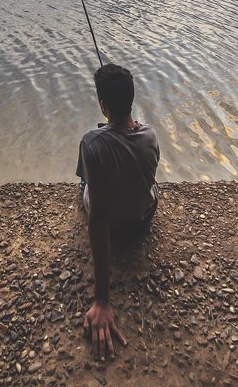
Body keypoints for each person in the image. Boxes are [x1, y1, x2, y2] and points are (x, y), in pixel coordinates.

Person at [76, 63, 160, 362]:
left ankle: (89, 177)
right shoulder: (151, 135)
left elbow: (99, 218)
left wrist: (102, 300)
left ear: (103, 105)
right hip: (141, 222)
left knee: (87, 176)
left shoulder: (91, 142)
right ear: (131, 100)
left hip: (114, 229)